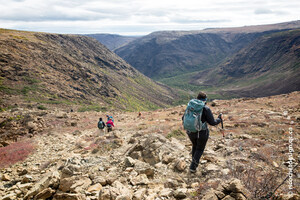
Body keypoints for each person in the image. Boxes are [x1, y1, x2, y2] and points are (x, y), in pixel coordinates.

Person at [182, 91, 222, 173]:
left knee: (195, 146)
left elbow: (183, 117)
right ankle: (193, 167)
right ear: (205, 99)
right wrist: (219, 119)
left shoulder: (190, 106)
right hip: (202, 132)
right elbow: (212, 122)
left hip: (190, 131)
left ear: (197, 98)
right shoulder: (205, 108)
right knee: (200, 149)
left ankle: (193, 163)